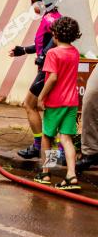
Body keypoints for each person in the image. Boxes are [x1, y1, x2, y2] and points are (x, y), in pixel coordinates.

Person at [9, 0, 61, 160]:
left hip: (48, 71)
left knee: (30, 104)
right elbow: (42, 43)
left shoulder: (51, 19)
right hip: (48, 69)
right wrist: (23, 50)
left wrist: (44, 55)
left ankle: (41, 149)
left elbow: (55, 40)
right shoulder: (50, 18)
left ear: (45, 1)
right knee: (51, 110)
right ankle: (56, 152)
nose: (32, 6)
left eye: (33, 1)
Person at [33, 16, 82, 190]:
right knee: (66, 138)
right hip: (71, 102)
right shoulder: (74, 52)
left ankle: (46, 172)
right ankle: (71, 175)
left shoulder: (53, 53)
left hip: (55, 102)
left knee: (48, 136)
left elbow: (52, 78)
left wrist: (41, 97)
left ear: (55, 34)